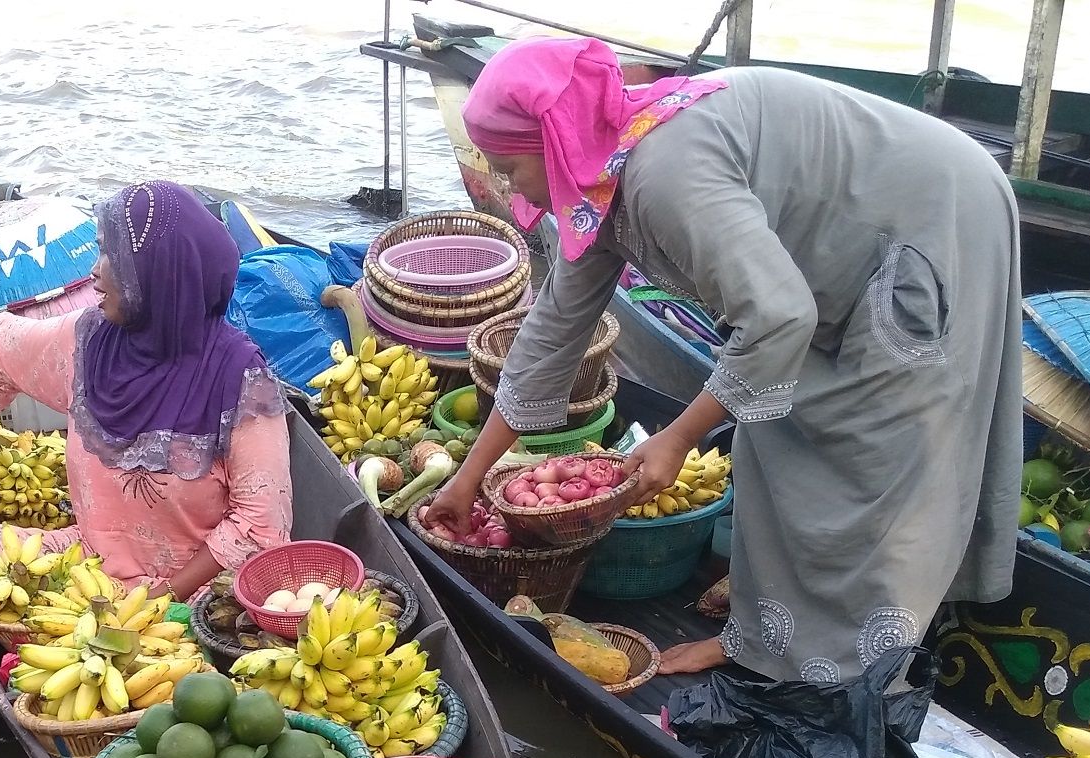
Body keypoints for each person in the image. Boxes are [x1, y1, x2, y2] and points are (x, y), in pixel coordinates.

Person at [424, 40, 1022, 683]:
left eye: (511, 169)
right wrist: (469, 477)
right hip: (828, 257)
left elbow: (779, 317)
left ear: (555, 140)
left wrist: (680, 436)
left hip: (932, 218)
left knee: (873, 454)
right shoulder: (596, 178)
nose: (513, 190)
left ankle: (847, 676)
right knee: (768, 426)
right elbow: (550, 335)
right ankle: (766, 634)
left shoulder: (663, 175)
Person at [0, 180, 292, 599]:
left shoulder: (241, 381)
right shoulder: (91, 340)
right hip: (95, 563)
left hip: (198, 588)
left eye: (111, 255)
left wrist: (161, 598)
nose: (94, 271)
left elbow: (259, 523)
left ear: (158, 271)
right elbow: (1, 340)